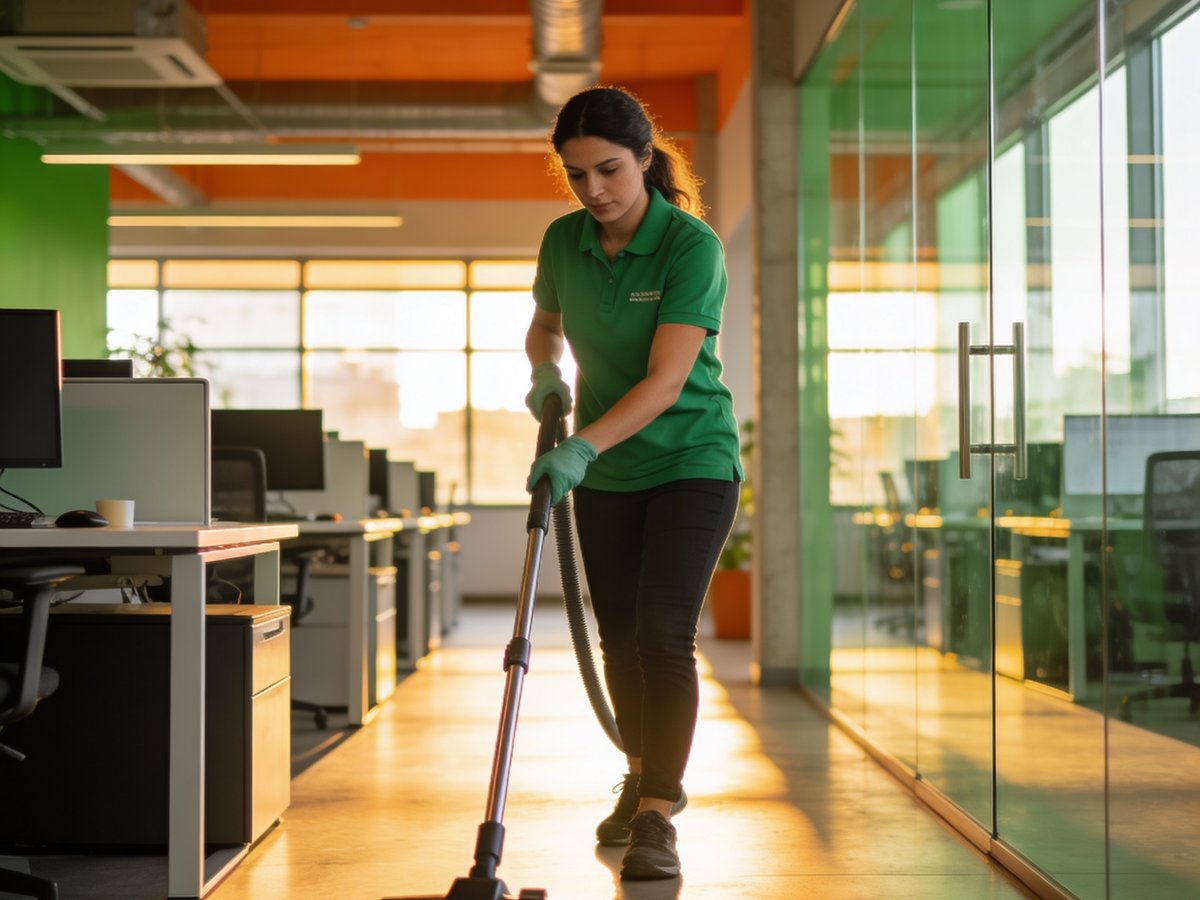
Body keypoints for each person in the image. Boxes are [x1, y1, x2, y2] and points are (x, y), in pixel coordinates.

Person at [523, 86, 743, 882]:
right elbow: (545, 324)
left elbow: (664, 380)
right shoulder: (563, 241)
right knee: (618, 638)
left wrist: (577, 446)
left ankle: (658, 813)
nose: (595, 191)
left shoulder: (691, 247)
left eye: (610, 170)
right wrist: (547, 372)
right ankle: (641, 775)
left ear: (647, 158)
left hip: (691, 460)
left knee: (661, 633)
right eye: (576, 175)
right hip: (608, 467)